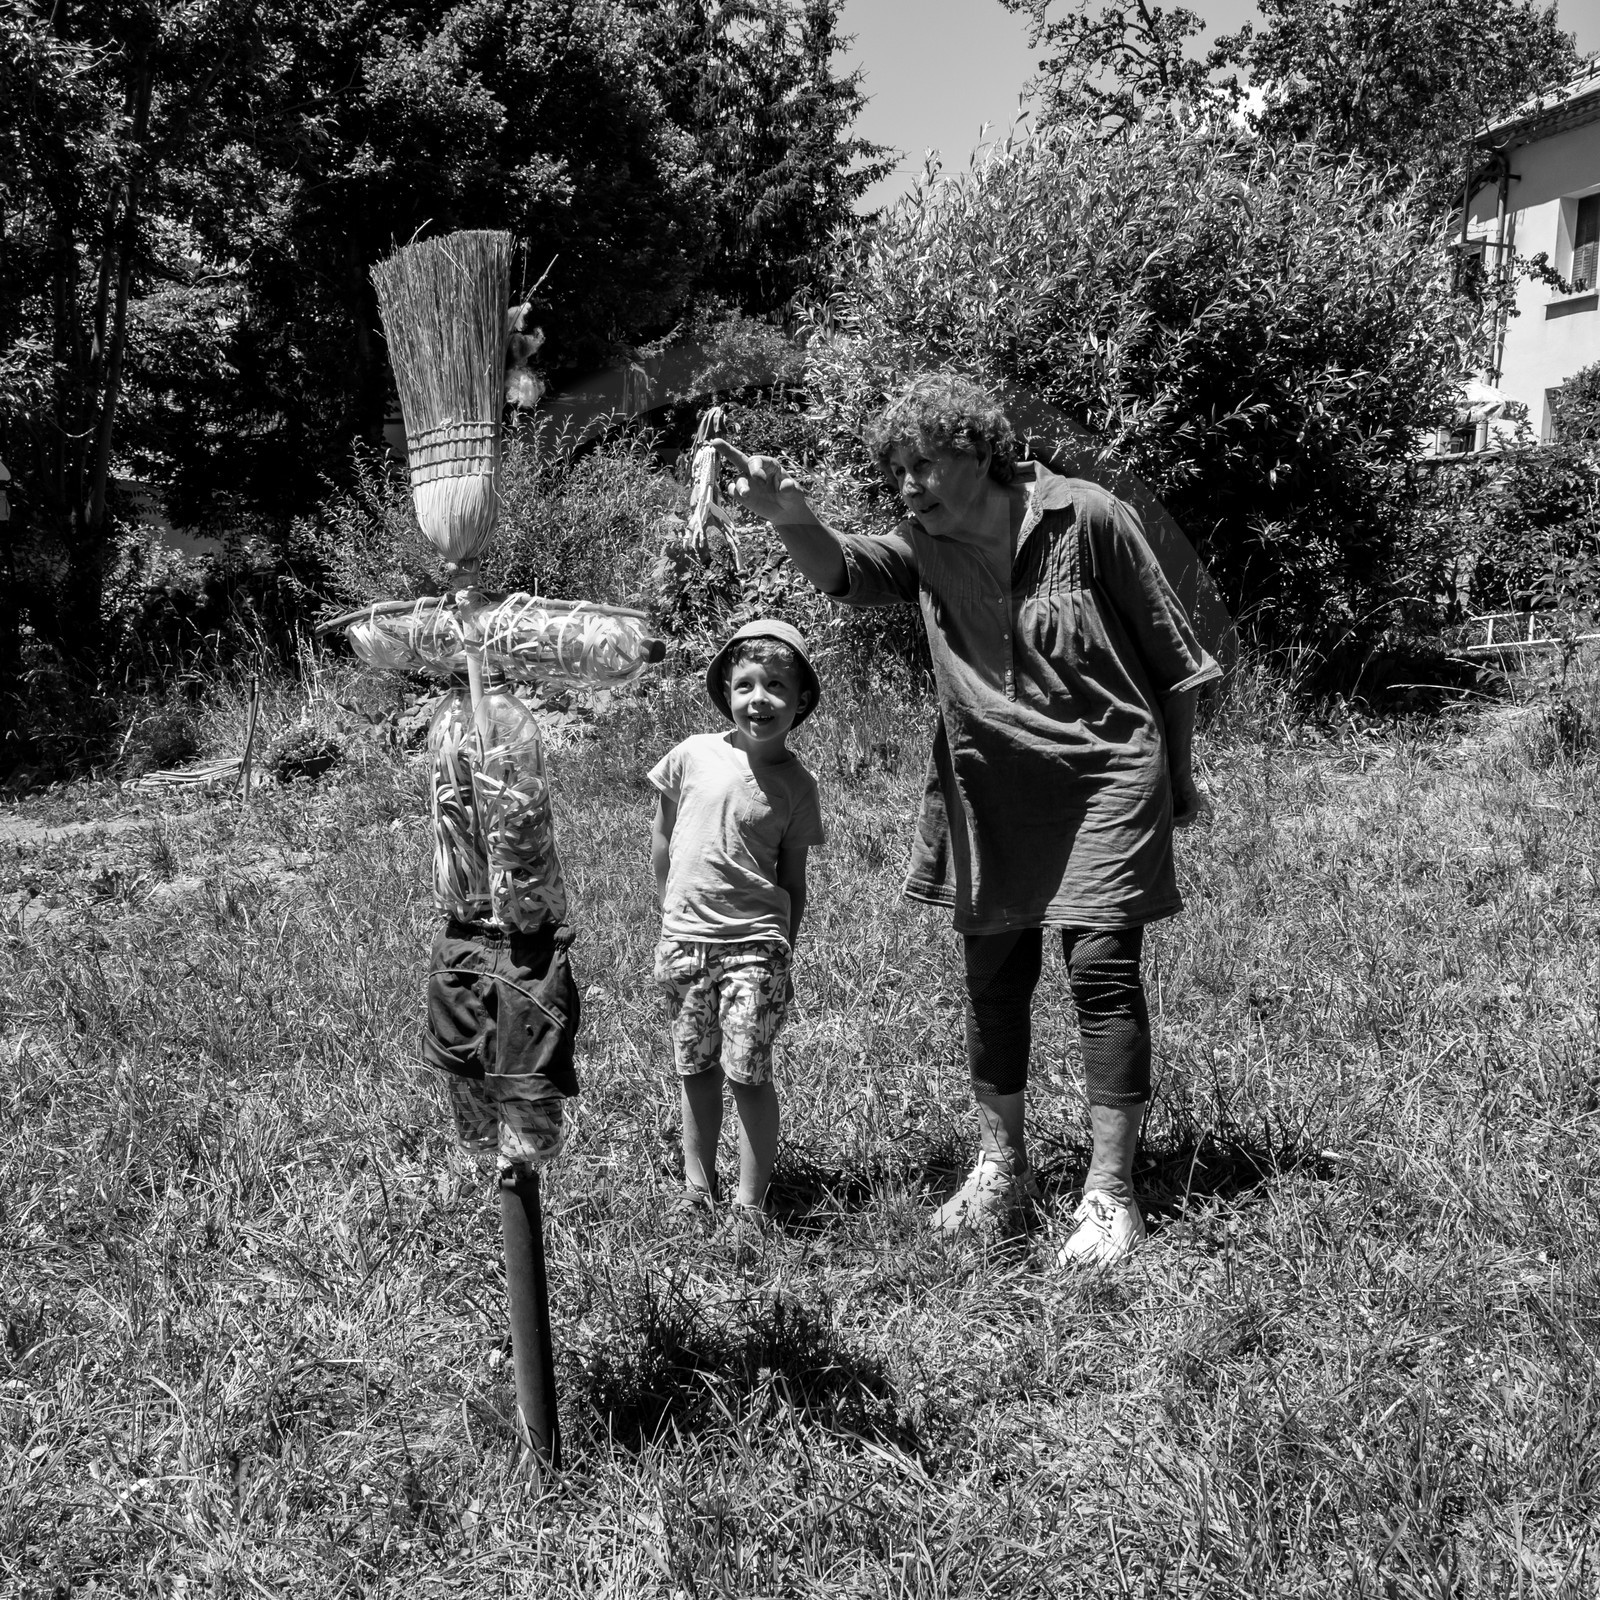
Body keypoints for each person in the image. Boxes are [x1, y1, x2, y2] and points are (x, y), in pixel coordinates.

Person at [714, 374, 1220, 1264]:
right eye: (895, 470)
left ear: (978, 451)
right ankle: (1003, 1169)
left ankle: (1108, 1194)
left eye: (922, 463)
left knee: (1101, 972)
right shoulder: (923, 545)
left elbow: (1173, 659)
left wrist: (1176, 778)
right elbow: (842, 569)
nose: (907, 484)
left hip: (1104, 779)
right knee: (994, 982)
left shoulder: (1086, 517)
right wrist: (790, 513)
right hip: (987, 791)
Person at [649, 619, 827, 1217]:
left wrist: (784, 948)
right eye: (746, 683)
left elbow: (792, 879)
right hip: (685, 944)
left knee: (747, 1073)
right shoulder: (691, 755)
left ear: (800, 700)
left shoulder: (798, 785)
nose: (760, 698)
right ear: (726, 689)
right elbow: (664, 837)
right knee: (694, 1067)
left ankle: (751, 1205)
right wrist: (669, 916)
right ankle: (698, 1189)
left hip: (756, 947)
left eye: (777, 685)